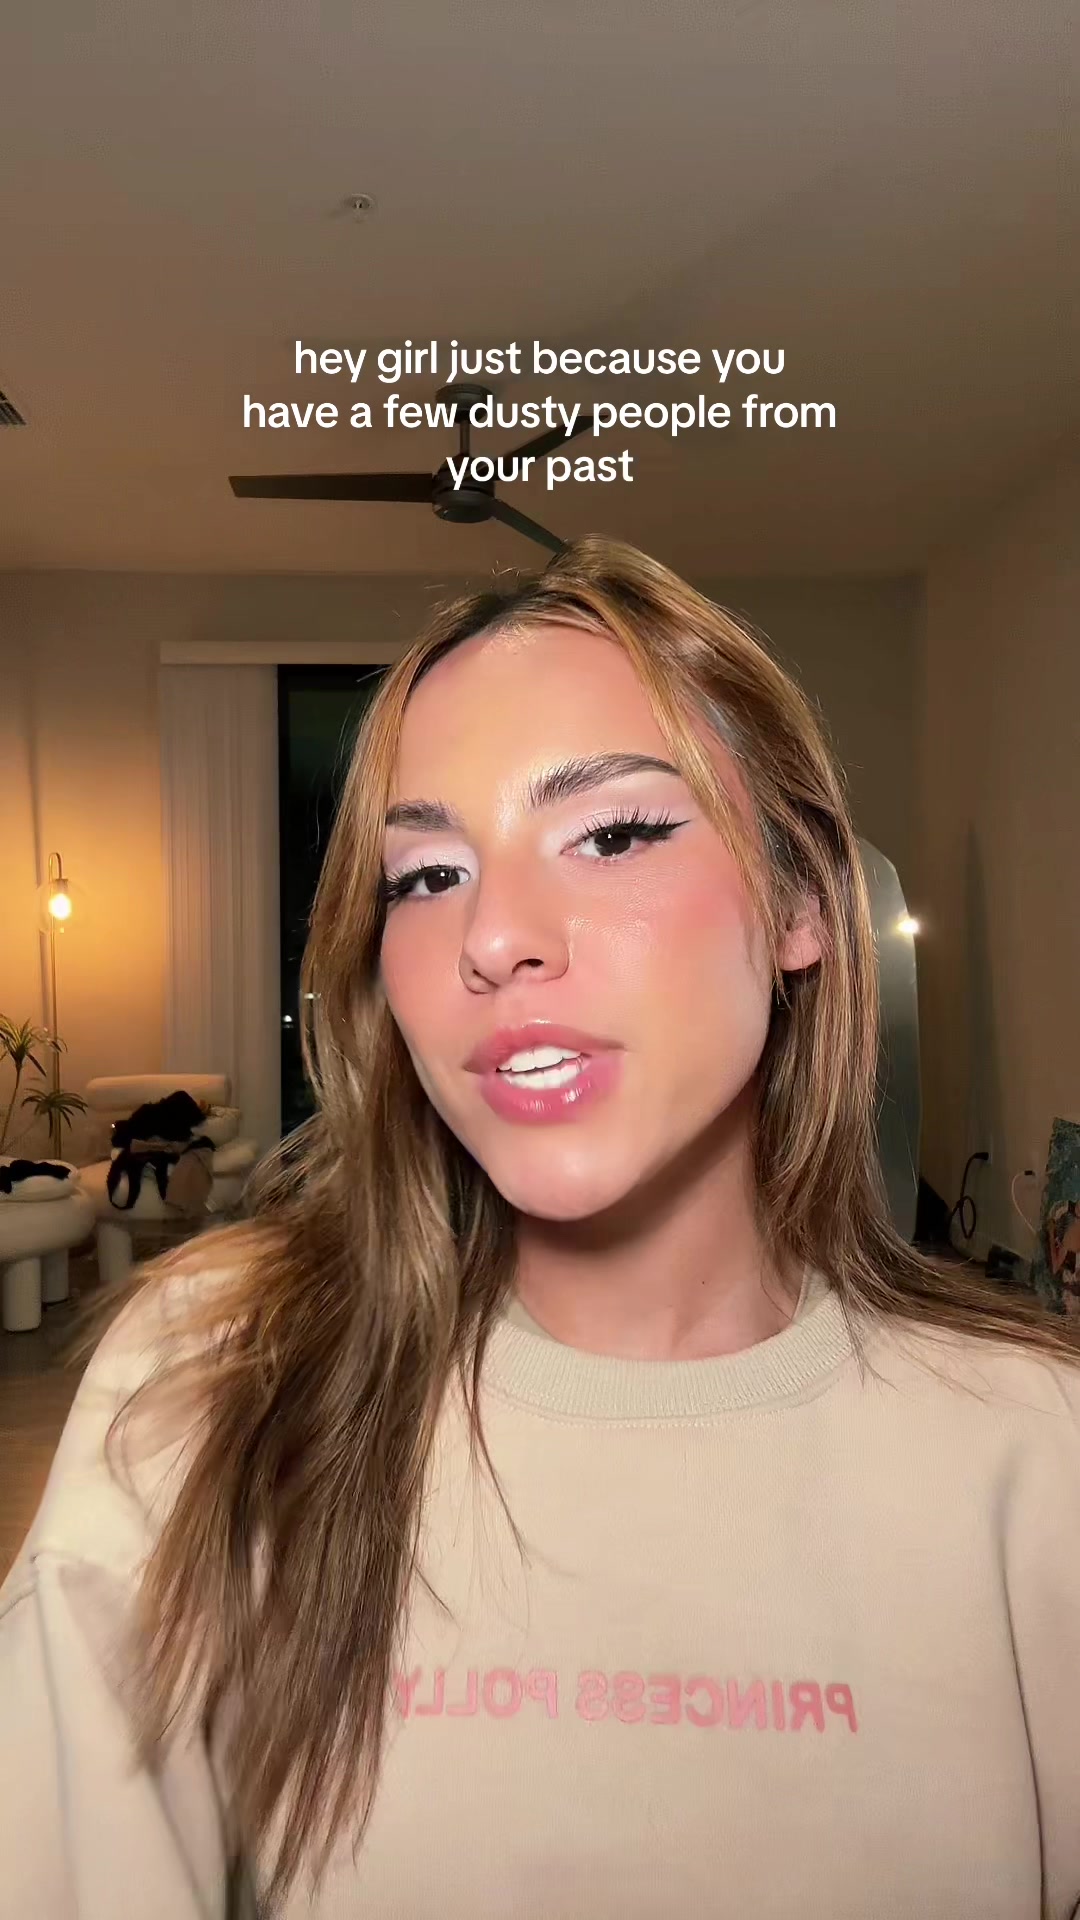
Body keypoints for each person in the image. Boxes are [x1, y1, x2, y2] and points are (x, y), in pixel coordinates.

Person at [2, 535, 1079, 1920]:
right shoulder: (212, 1375)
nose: (492, 936)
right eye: (426, 875)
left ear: (802, 902)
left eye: (614, 835)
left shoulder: (1033, 1450)